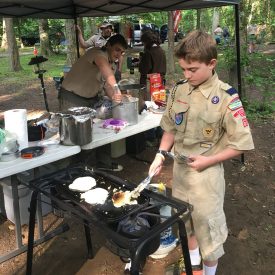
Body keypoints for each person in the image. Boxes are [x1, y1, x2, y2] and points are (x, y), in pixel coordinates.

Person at [149, 30, 254, 275]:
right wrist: (160, 154)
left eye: (192, 69)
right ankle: (192, 267)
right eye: (183, 69)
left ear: (211, 63)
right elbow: (171, 129)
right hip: (181, 175)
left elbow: (241, 142)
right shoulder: (179, 90)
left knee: (209, 236)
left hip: (206, 179)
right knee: (187, 226)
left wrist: (210, 160)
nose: (187, 75)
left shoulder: (227, 97)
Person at [59, 34, 127, 171]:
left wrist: (118, 99)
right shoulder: (96, 53)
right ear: (108, 45)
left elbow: (107, 85)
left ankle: (103, 164)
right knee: (78, 138)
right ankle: (80, 170)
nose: (119, 54)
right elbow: (106, 71)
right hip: (72, 99)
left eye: (122, 52)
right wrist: (117, 89)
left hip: (90, 100)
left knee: (104, 129)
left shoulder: (111, 64)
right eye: (117, 50)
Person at [138, 30, 166, 146]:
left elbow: (144, 69)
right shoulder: (161, 50)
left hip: (150, 82)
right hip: (160, 81)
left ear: (146, 42)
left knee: (149, 108)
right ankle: (160, 132)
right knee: (159, 107)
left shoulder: (148, 53)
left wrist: (140, 61)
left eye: (143, 42)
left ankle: (150, 136)